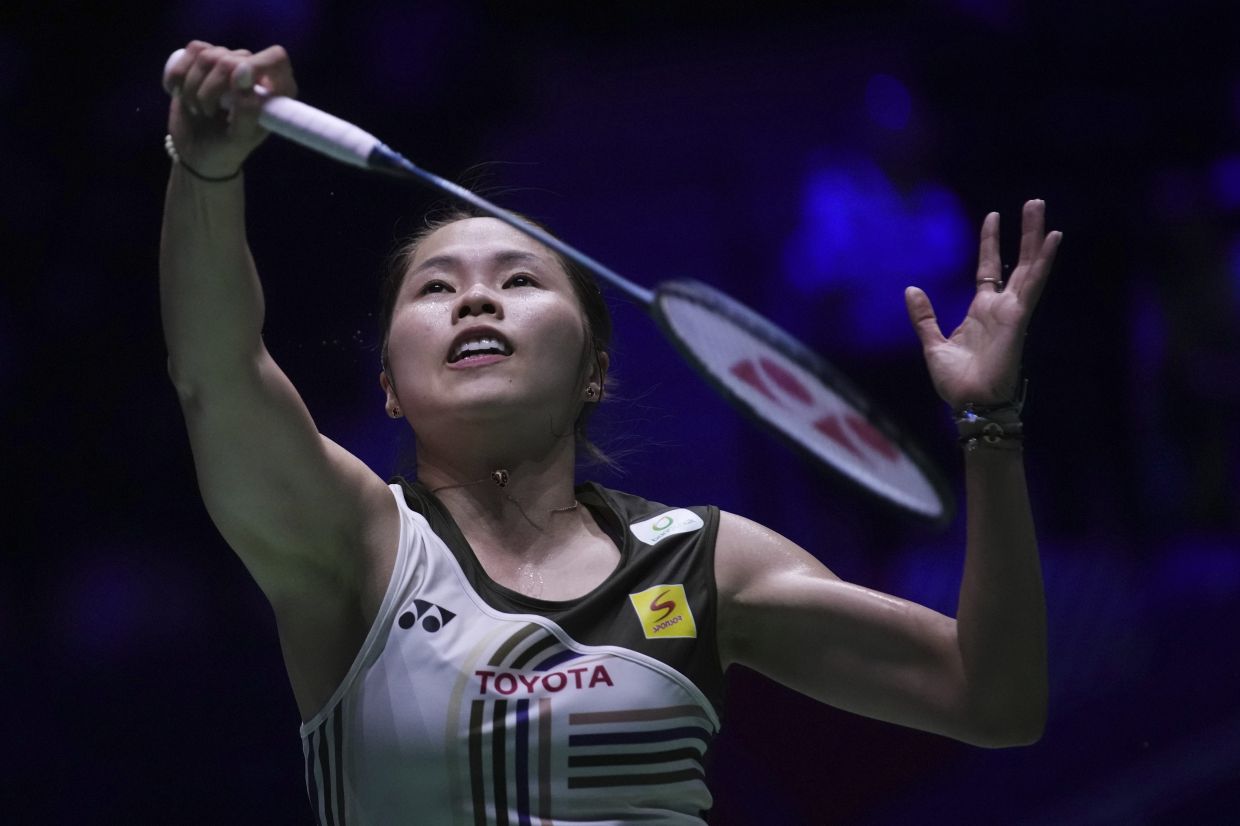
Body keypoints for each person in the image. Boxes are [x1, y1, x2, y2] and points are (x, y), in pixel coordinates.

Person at [161, 41, 1061, 826]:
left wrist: (991, 425)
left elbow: (994, 697)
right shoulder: (354, 546)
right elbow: (217, 374)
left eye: (518, 280)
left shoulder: (704, 562)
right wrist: (205, 170)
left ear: (594, 369)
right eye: (435, 288)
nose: (475, 296)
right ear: (390, 388)